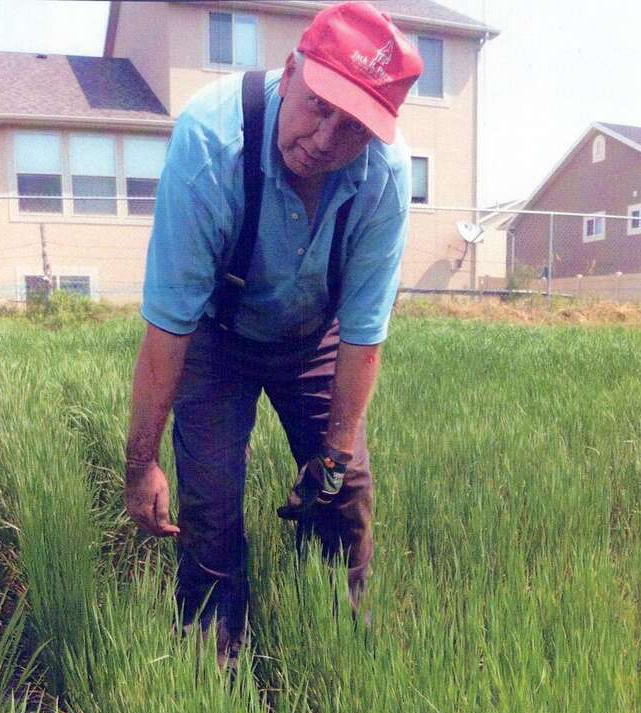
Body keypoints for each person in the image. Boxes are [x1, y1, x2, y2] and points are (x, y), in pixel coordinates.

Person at [124, 1, 423, 669]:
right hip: (215, 335)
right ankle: (212, 664)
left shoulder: (386, 175)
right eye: (320, 106)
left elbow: (364, 331)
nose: (325, 139)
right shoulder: (210, 140)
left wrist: (335, 453)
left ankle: (344, 648)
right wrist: (140, 463)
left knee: (344, 495)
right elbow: (169, 328)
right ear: (291, 71)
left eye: (353, 128)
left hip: (315, 334)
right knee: (211, 508)